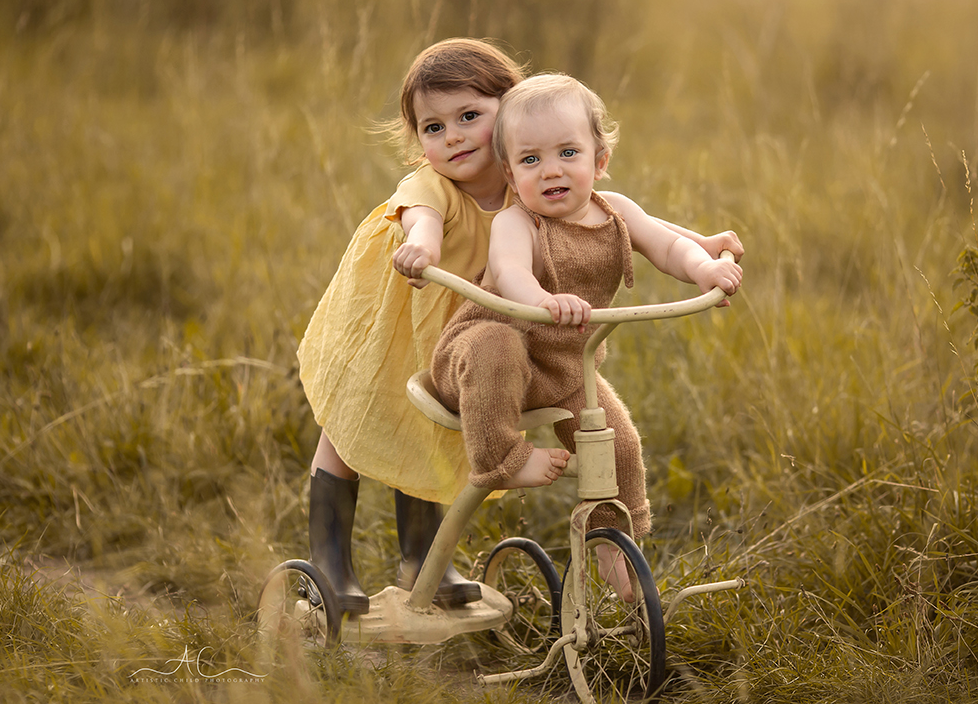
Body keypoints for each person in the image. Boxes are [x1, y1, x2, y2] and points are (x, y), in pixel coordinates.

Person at [298, 41, 742, 614]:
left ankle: (436, 561)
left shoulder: (534, 180)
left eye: (469, 117)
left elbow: (650, 231)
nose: (453, 137)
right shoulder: (446, 191)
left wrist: (704, 253)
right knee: (353, 419)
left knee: (578, 437)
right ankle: (331, 563)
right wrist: (424, 248)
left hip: (523, 340)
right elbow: (437, 231)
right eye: (434, 127)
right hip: (409, 315)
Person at [429, 73, 743, 599]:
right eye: (530, 160)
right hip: (480, 359)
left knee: (618, 444)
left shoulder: (617, 212)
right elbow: (509, 272)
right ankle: (502, 459)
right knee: (498, 345)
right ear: (510, 173)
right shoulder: (516, 223)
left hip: (564, 370)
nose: (550, 170)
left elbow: (669, 246)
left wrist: (704, 268)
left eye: (567, 153)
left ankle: (614, 546)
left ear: (599, 160)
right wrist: (543, 300)